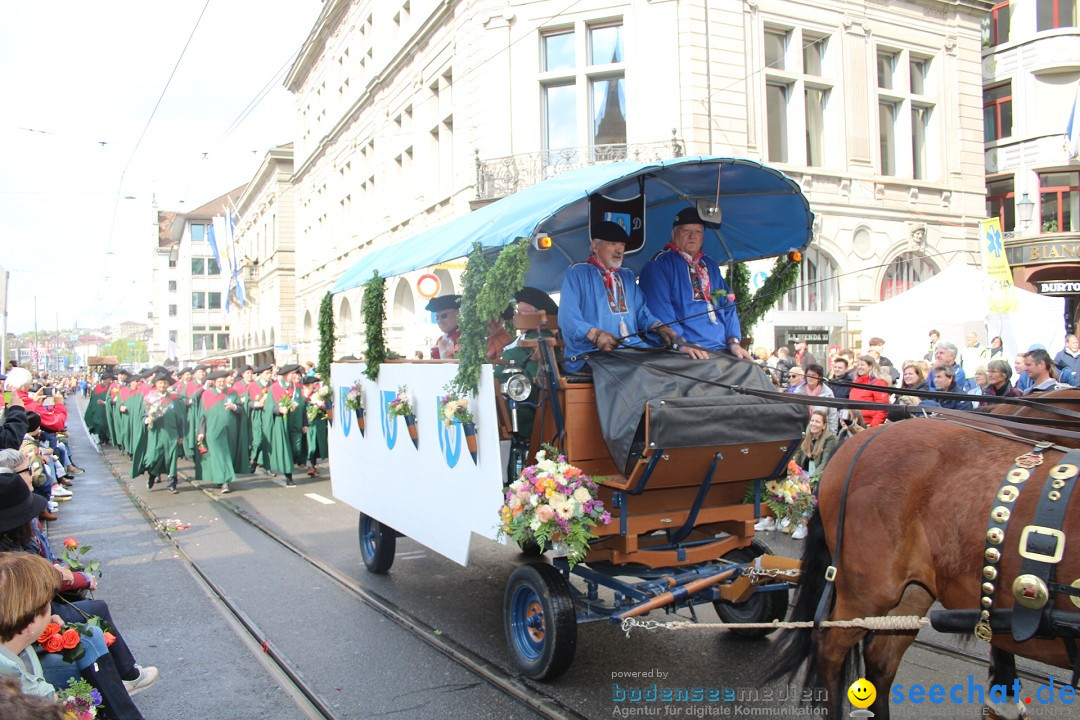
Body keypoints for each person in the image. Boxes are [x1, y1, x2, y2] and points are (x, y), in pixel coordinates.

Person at [560, 220, 699, 372]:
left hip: (632, 350)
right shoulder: (577, 273)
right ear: (595, 246)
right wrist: (595, 334)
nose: (619, 250)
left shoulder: (626, 276)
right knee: (642, 371)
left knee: (673, 364)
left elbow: (642, 313)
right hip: (591, 354)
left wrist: (659, 327)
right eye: (613, 243)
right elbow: (568, 317)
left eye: (622, 245)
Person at [638, 206, 752, 360]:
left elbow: (727, 304)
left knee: (753, 373)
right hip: (684, 352)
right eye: (686, 231)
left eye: (698, 231)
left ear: (703, 237)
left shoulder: (710, 265)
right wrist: (682, 343)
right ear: (674, 234)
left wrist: (734, 341)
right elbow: (659, 310)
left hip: (721, 349)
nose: (693, 236)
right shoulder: (659, 265)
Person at [197, 371, 243, 494]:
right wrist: (201, 431)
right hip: (213, 430)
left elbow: (241, 409)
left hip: (230, 430)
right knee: (219, 453)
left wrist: (234, 407)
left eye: (223, 381)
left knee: (227, 453)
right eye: (219, 382)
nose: (222, 383)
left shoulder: (232, 393)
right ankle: (225, 482)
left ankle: (220, 478)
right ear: (214, 383)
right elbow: (202, 415)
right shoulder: (206, 394)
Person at [139, 373, 185, 494]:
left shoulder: (174, 399)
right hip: (156, 433)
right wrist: (147, 419)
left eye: (165, 383)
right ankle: (152, 476)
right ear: (156, 384)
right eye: (160, 383)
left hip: (172, 433)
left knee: (172, 458)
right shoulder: (149, 398)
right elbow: (143, 415)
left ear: (168, 384)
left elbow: (180, 418)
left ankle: (172, 484)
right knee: (154, 457)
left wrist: (181, 435)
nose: (163, 385)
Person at [267, 364, 308, 487]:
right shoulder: (274, 388)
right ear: (284, 375)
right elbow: (268, 406)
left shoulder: (297, 388)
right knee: (286, 449)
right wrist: (278, 409)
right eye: (291, 374)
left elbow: (302, 406)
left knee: (297, 448)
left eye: (295, 373)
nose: (294, 376)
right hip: (283, 422)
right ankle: (288, 475)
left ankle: (293, 462)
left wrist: (305, 423)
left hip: (296, 422)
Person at [793, 364, 837, 433]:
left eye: (813, 375)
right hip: (802, 431)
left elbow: (833, 416)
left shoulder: (828, 393)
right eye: (808, 375)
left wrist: (832, 434)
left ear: (819, 377)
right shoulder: (798, 392)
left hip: (822, 432)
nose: (810, 378)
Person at [849, 355, 890, 427]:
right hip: (854, 423)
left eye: (862, 365)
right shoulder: (856, 383)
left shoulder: (878, 383)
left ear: (870, 366)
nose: (859, 367)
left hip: (868, 425)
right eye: (858, 365)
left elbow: (882, 409)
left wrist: (873, 427)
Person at [248, 364, 274, 474]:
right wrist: (256, 403)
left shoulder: (272, 385)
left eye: (270, 373)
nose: (269, 375)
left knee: (268, 441)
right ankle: (253, 459)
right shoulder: (253, 386)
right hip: (257, 415)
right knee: (258, 441)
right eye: (266, 373)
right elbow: (248, 402)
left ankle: (268, 466)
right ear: (261, 374)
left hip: (268, 415)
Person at [427, 295, 462, 360]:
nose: (439, 321)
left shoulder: (465, 337)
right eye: (437, 317)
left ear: (457, 314)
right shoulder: (440, 339)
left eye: (444, 316)